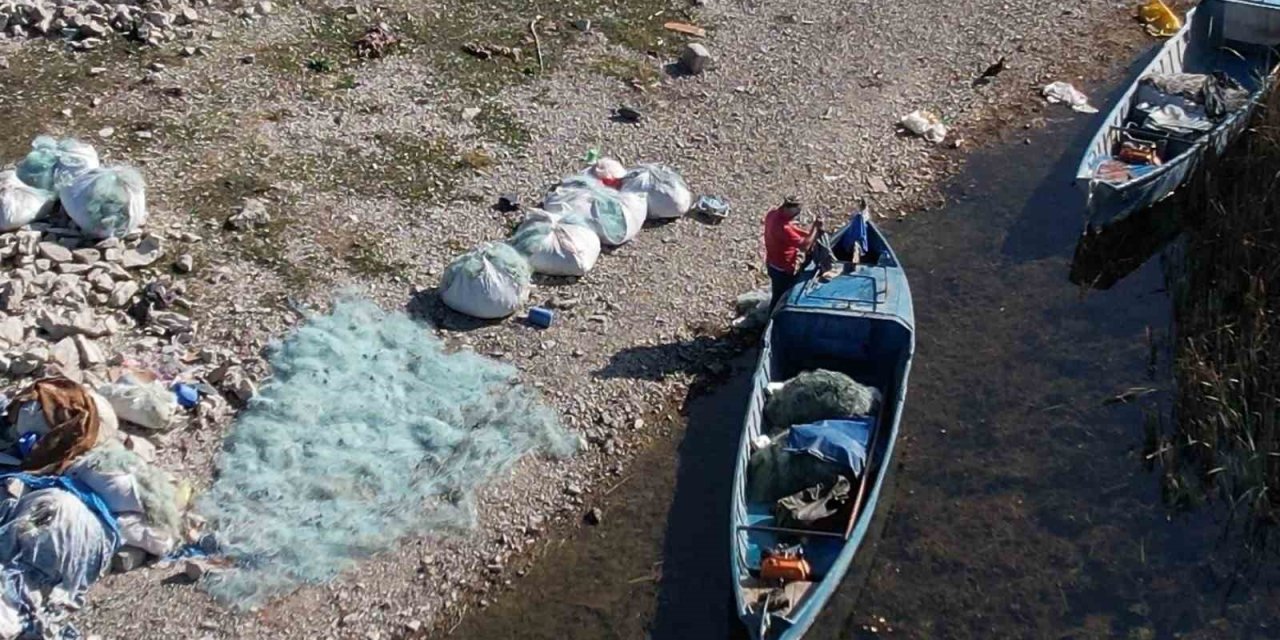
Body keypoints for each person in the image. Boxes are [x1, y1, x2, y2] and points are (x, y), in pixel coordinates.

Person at [764, 196, 821, 309]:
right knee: (781, 297)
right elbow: (805, 246)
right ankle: (773, 319)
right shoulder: (783, 229)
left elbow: (790, 228)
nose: (797, 215)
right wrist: (815, 228)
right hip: (781, 269)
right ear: (789, 208)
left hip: (772, 262)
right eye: (797, 211)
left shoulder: (773, 214)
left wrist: (806, 234)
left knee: (777, 294)